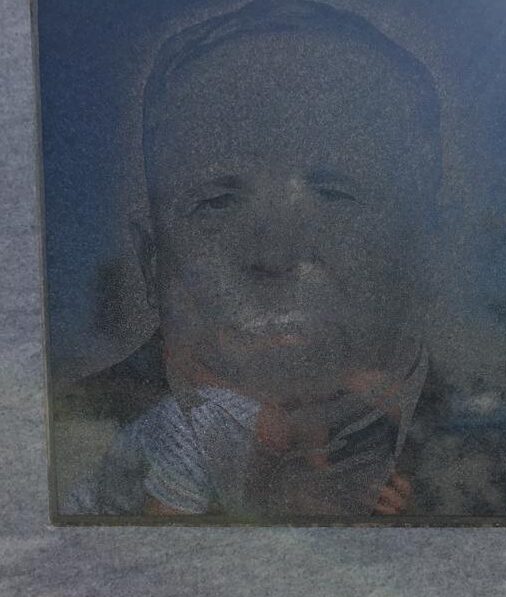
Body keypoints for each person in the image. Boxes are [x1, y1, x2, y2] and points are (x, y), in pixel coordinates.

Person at [64, 0, 445, 519]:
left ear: (423, 245)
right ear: (152, 260)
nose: (276, 254)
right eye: (218, 201)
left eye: (334, 194)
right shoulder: (69, 437)